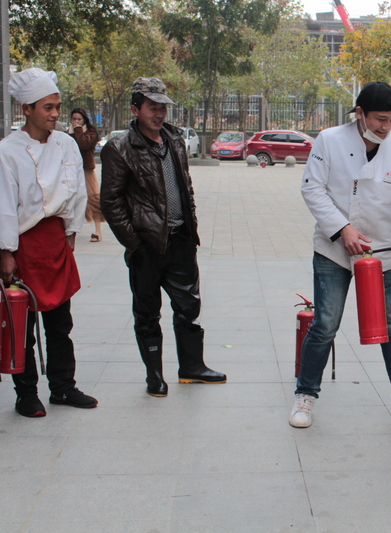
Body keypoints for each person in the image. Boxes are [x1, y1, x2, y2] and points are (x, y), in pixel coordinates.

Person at [291, 81, 391, 433]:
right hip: (334, 249)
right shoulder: (330, 140)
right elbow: (312, 188)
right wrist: (343, 229)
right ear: (360, 113)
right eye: (380, 119)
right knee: (325, 324)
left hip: (381, 250)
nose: (386, 127)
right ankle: (305, 394)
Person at [100, 77, 226, 398]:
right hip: (146, 244)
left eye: (162, 108)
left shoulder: (174, 140)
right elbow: (111, 203)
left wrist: (191, 226)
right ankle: (154, 376)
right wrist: (134, 243)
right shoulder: (120, 148)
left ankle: (192, 367)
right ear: (135, 109)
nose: (159, 114)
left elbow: (186, 186)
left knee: (189, 305)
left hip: (180, 239)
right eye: (152, 107)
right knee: (147, 313)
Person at [0, 67, 98, 417]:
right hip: (24, 245)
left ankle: (63, 387)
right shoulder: (7, 151)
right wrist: (6, 252)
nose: (56, 113)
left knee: (60, 324)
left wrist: (71, 232)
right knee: (22, 324)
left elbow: (76, 192)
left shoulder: (66, 144)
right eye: (48, 107)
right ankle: (26, 393)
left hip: (56, 241)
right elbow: (4, 205)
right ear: (26, 109)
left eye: (57, 106)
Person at [68, 107, 105, 242]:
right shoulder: (68, 133)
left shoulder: (91, 132)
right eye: (74, 119)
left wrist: (78, 130)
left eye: (79, 119)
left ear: (84, 120)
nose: (76, 121)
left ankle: (98, 231)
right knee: (71, 198)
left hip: (86, 168)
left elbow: (84, 144)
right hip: (71, 169)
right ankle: (71, 230)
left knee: (93, 197)